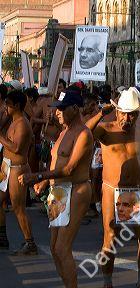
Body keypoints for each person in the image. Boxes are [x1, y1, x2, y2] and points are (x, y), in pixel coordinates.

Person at [19, 89, 93, 287]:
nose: (56, 112)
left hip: (76, 190)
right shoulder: (63, 132)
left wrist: (38, 176)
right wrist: (44, 182)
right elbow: (57, 163)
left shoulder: (83, 134)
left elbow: (69, 168)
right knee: (54, 248)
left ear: (75, 108)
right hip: (58, 192)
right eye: (57, 108)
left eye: (61, 108)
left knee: (62, 248)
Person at [86, 87, 140, 288]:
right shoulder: (106, 129)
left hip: (136, 192)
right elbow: (84, 132)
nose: (127, 119)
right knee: (111, 238)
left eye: (132, 115)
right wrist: (100, 113)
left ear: (137, 115)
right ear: (117, 111)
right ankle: (107, 282)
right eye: (124, 113)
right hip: (111, 190)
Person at [0, 90, 37, 254]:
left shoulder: (22, 123)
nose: (6, 107)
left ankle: (30, 243)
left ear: (17, 106)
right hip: (6, 167)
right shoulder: (13, 120)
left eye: (8, 104)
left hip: (17, 169)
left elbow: (16, 148)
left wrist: (0, 136)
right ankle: (2, 237)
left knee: (18, 207)